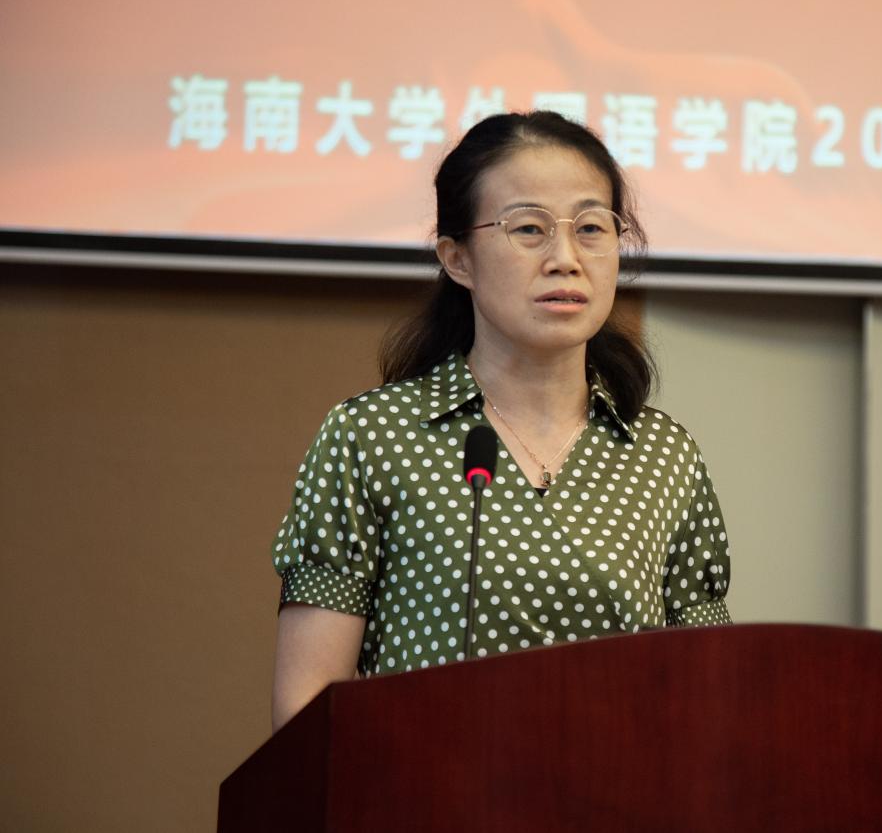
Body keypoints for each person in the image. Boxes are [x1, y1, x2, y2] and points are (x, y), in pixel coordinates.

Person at [269, 111, 731, 732]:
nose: (566, 258)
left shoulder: (663, 455)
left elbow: (706, 695)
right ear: (457, 259)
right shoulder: (373, 438)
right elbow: (307, 707)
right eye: (529, 229)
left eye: (591, 228)